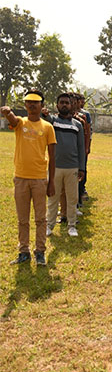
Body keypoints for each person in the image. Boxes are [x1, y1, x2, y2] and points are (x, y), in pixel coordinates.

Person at [2, 91, 56, 266]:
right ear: (25, 105)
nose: (32, 105)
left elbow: (52, 157)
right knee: (22, 219)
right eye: (28, 102)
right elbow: (13, 121)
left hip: (39, 179)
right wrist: (8, 112)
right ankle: (23, 252)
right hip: (21, 178)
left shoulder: (47, 127)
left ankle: (40, 251)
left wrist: (51, 182)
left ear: (42, 105)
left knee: (41, 219)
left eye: (36, 102)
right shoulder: (21, 123)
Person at [47, 93, 86, 238]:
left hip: (72, 167)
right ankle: (49, 225)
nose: (64, 105)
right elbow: (43, 120)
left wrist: (81, 168)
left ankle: (72, 225)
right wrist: (45, 114)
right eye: (61, 102)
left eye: (67, 103)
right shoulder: (52, 122)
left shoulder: (77, 125)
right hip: (55, 167)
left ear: (71, 105)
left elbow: (81, 147)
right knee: (53, 198)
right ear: (57, 105)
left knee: (72, 198)